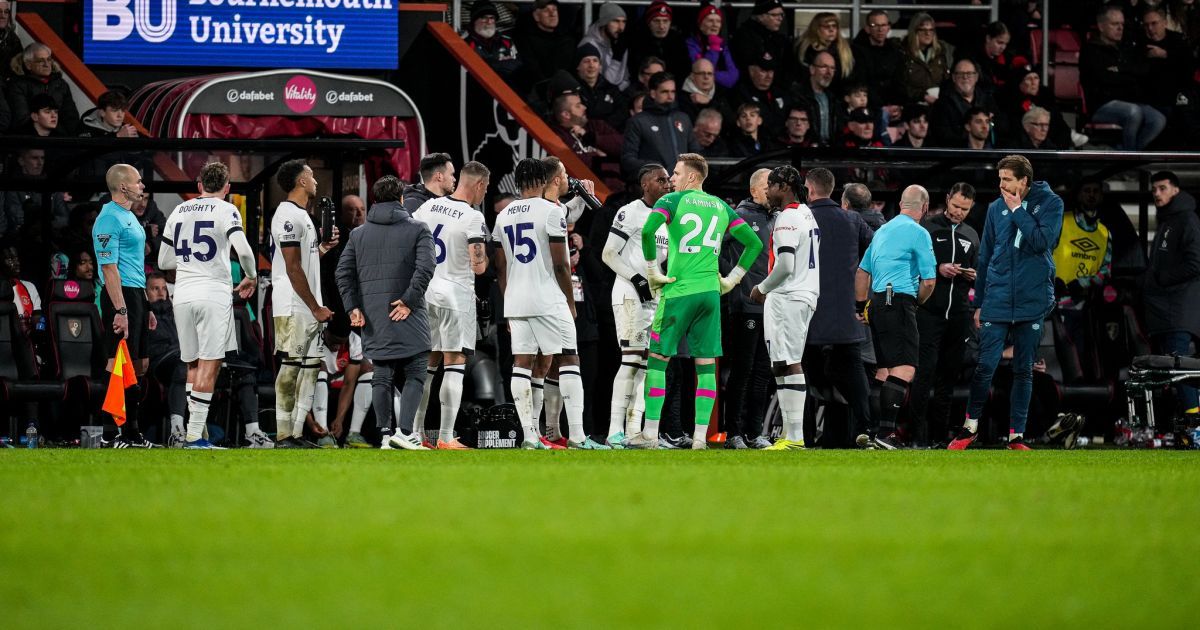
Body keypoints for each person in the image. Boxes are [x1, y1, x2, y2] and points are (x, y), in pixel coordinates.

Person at [624, 153, 763, 449]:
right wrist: (733, 279)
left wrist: (651, 271)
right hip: (710, 295)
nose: (671, 179)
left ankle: (649, 434)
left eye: (675, 173)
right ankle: (700, 438)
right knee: (705, 365)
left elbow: (649, 231)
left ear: (691, 177)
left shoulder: (671, 202)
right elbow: (754, 243)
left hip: (677, 291)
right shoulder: (721, 206)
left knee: (658, 361)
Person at [950, 155, 1064, 450]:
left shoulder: (1051, 204)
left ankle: (1016, 436)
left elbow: (1041, 242)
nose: (1001, 185)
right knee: (985, 366)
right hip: (998, 297)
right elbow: (986, 256)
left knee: (1024, 369)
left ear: (1024, 181)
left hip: (1032, 297)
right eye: (999, 179)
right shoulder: (994, 208)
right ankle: (969, 428)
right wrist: (980, 302)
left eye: (1007, 179)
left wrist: (1017, 211)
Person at [493, 159, 608, 449]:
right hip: (548, 297)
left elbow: (501, 267)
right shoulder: (550, 211)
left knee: (522, 364)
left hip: (516, 300)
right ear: (543, 179)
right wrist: (569, 301)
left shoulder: (503, 214)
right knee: (569, 358)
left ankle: (530, 435)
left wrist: (508, 303)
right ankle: (579, 436)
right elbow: (560, 265)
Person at [156, 162, 260, 449]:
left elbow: (164, 261)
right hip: (213, 293)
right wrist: (251, 276)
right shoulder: (227, 210)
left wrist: (189, 264)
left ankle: (196, 434)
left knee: (191, 363)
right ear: (227, 188)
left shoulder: (178, 211)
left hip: (184, 295)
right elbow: (246, 252)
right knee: (210, 365)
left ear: (199, 185)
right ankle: (194, 438)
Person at [336, 175, 436, 450]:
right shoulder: (418, 229)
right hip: (408, 312)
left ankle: (384, 435)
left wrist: (353, 307)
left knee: (382, 373)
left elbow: (343, 273)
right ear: (401, 198)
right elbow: (426, 268)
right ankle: (404, 433)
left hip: (373, 315)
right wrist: (408, 301)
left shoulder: (357, 235)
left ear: (375, 201)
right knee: (416, 371)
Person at [411, 161, 491, 449]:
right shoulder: (472, 217)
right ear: (479, 185)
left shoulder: (427, 208)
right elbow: (478, 265)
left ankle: (416, 434)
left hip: (425, 294)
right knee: (454, 363)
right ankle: (445, 437)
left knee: (427, 365)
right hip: (456, 296)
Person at [855, 185, 937, 449]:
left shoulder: (882, 231)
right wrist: (916, 301)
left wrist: (860, 307)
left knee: (884, 370)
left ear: (902, 204)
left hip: (877, 302)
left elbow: (861, 273)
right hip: (899, 299)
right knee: (905, 369)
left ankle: (872, 432)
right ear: (924, 208)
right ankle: (886, 434)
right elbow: (930, 281)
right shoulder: (919, 233)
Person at [269, 159, 340, 448]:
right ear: (300, 181)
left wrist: (322, 248)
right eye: (311, 176)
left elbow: (306, 264)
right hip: (293, 304)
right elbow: (292, 268)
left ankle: (298, 433)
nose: (315, 181)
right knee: (290, 366)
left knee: (310, 367)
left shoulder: (303, 215)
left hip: (308, 306)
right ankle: (283, 434)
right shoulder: (287, 215)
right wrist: (315, 307)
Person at [749, 166, 820, 451]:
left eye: (771, 185)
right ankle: (791, 437)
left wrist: (761, 288)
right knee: (782, 363)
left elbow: (786, 265)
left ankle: (794, 437)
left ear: (784, 187)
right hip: (803, 293)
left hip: (788, 295)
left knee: (788, 362)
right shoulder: (805, 213)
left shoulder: (788, 217)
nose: (767, 190)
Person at [601, 163, 671, 448]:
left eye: (668, 179)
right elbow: (608, 253)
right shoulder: (629, 212)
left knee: (646, 365)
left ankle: (635, 431)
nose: (667, 183)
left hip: (654, 299)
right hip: (630, 294)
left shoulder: (667, 217)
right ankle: (614, 430)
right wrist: (637, 279)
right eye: (660, 179)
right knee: (630, 361)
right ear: (645, 184)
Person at [803, 168, 873, 447]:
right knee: (856, 382)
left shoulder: (801, 218)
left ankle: (803, 438)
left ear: (809, 189)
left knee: (802, 378)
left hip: (809, 315)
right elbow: (876, 251)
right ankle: (868, 429)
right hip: (846, 316)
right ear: (832, 189)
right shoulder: (853, 220)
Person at [909, 183, 979, 447]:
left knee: (947, 379)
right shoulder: (927, 228)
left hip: (958, 315)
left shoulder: (971, 234)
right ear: (947, 199)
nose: (959, 212)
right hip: (928, 313)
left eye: (965, 209)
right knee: (923, 375)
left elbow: (978, 269)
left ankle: (940, 438)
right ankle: (916, 436)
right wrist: (938, 268)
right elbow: (912, 265)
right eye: (956, 206)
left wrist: (972, 275)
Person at [93, 164, 154, 447]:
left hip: (137, 294)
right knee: (116, 362)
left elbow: (135, 264)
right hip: (120, 296)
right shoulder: (108, 220)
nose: (143, 186)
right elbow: (109, 269)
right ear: (123, 187)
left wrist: (147, 306)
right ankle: (110, 433)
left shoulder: (129, 216)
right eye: (139, 181)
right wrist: (121, 310)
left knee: (139, 366)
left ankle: (133, 432)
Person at [720, 168, 773, 449]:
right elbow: (714, 251)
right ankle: (734, 433)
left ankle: (754, 432)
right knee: (743, 369)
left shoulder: (776, 218)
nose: (772, 190)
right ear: (753, 190)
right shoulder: (738, 216)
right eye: (768, 185)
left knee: (763, 371)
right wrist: (737, 278)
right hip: (745, 305)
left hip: (771, 307)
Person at [1144, 171, 1200, 425]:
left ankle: (1194, 424)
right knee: (1172, 369)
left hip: (1179, 309)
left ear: (1176, 190)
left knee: (1181, 367)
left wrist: (1161, 278)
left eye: (1162, 188)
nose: (1157, 193)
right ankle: (1184, 423)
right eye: (1154, 189)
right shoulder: (1168, 220)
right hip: (1165, 310)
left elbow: (1195, 263)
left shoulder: (1187, 220)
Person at [1080, 6, 1166, 150]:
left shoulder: (1126, 49)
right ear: (1101, 26)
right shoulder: (1090, 50)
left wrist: (1120, 71)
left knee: (1158, 119)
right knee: (1133, 112)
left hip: (1130, 101)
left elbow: (1142, 72)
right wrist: (1127, 75)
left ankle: (1127, 153)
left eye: (1122, 24)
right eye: (1115, 24)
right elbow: (1104, 79)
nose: (1120, 28)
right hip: (1101, 104)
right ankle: (1128, 156)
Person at [620, 72, 700, 178]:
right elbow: (628, 159)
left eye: (673, 91)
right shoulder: (638, 121)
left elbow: (695, 152)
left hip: (682, 186)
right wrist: (655, 169)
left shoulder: (683, 119)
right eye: (665, 92)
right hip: (653, 186)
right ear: (653, 93)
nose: (670, 96)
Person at [6, 43, 81, 134]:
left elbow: (71, 118)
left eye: (49, 60)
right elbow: (22, 119)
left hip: (60, 140)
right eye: (40, 61)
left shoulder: (61, 84)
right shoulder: (17, 85)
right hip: (30, 140)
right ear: (28, 65)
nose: (46, 64)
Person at [929, 58, 1003, 147]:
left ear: (976, 77)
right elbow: (942, 136)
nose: (965, 77)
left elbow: (1003, 127)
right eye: (960, 74)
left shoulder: (987, 100)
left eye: (969, 73)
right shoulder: (942, 104)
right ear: (953, 78)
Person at [850, 9, 907, 112]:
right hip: (869, 107)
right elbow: (861, 83)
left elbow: (900, 82)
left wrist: (898, 106)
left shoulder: (895, 51)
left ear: (888, 28)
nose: (880, 29)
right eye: (875, 25)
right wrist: (881, 108)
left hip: (892, 106)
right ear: (867, 29)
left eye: (883, 25)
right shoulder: (856, 51)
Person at [514, 0, 577, 88]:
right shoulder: (525, 40)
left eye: (554, 10)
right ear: (536, 16)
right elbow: (532, 70)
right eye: (546, 11)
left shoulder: (567, 40)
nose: (552, 14)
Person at [731, 0, 792, 82]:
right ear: (760, 16)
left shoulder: (778, 37)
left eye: (781, 14)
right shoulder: (744, 37)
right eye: (774, 15)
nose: (780, 18)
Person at [629, 0, 691, 81]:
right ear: (649, 23)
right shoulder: (638, 42)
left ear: (670, 23)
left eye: (665, 21)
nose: (661, 26)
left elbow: (684, 70)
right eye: (656, 21)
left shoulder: (678, 42)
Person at [795, 11, 854, 94]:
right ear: (816, 29)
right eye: (827, 27)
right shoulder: (807, 49)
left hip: (837, 96)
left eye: (834, 26)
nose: (831, 30)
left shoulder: (845, 49)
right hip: (810, 94)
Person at [900, 13, 952, 104]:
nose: (928, 34)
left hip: (938, 102)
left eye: (931, 30)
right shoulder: (902, 53)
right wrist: (923, 96)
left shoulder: (939, 52)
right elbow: (901, 86)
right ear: (914, 31)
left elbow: (946, 80)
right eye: (923, 30)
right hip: (913, 103)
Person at [463, 1, 522, 83]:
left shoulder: (506, 41)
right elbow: (469, 71)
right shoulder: (464, 42)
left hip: (506, 87)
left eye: (492, 18)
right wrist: (500, 63)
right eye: (484, 18)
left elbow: (518, 66)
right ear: (474, 20)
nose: (489, 22)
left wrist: (490, 63)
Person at [685, 2, 738, 90]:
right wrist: (714, 46)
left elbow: (732, 78)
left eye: (718, 21)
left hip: (720, 92)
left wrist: (713, 74)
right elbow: (703, 74)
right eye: (710, 21)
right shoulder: (691, 43)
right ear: (700, 25)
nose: (715, 25)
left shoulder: (723, 44)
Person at [574, 44, 628, 131]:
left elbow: (622, 113)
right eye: (586, 61)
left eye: (595, 61)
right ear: (578, 66)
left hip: (609, 135)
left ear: (600, 66)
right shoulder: (572, 90)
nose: (591, 65)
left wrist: (602, 126)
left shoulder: (612, 89)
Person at [579, 2, 630, 91]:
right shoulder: (589, 45)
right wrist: (616, 59)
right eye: (616, 21)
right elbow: (600, 84)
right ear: (604, 22)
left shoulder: (619, 43)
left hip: (618, 95)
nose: (621, 27)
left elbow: (625, 78)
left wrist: (617, 93)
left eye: (624, 22)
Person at [793, 51, 839, 145]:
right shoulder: (797, 95)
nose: (829, 72)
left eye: (832, 68)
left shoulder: (834, 99)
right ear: (812, 69)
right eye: (824, 67)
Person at [678, 58, 732, 123]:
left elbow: (731, 121)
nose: (706, 77)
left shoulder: (721, 91)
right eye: (701, 73)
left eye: (709, 74)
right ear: (692, 76)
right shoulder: (682, 96)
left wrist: (709, 102)